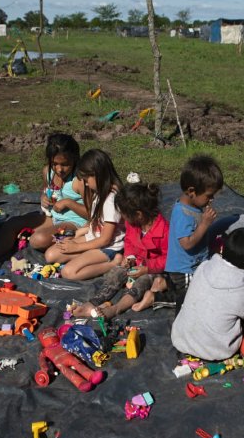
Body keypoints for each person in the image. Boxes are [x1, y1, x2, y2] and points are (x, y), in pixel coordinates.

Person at [171, 228, 244, 361]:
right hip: (215, 350)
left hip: (181, 338)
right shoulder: (243, 289)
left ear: (222, 249)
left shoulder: (204, 266)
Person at [74, 181, 170, 318]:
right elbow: (129, 241)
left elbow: (167, 259)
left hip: (152, 270)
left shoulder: (164, 231)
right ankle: (93, 302)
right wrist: (129, 257)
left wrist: (147, 268)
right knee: (117, 272)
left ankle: (117, 308)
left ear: (138, 214)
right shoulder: (133, 224)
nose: (122, 217)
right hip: (136, 264)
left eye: (123, 214)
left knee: (143, 282)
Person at [45, 149, 125, 280]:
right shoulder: (99, 193)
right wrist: (77, 234)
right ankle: (87, 255)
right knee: (51, 255)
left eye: (87, 179)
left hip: (108, 247)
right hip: (93, 238)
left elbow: (105, 239)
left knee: (68, 272)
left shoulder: (111, 201)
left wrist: (77, 246)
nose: (86, 184)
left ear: (97, 175)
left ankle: (113, 263)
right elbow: (96, 222)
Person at [164, 154, 224, 306]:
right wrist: (205, 224)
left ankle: (161, 292)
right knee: (189, 302)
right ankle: (182, 326)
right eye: (209, 196)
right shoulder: (182, 213)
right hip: (185, 270)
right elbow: (187, 244)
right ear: (192, 191)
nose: (211, 200)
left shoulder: (195, 207)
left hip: (195, 265)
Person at [29, 133, 88, 250]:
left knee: (38, 240)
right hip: (53, 218)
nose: (59, 169)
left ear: (75, 159)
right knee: (13, 224)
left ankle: (76, 239)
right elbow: (46, 191)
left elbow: (93, 213)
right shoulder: (48, 172)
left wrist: (68, 203)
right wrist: (44, 197)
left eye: (65, 164)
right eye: (55, 164)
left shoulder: (79, 180)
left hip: (74, 223)